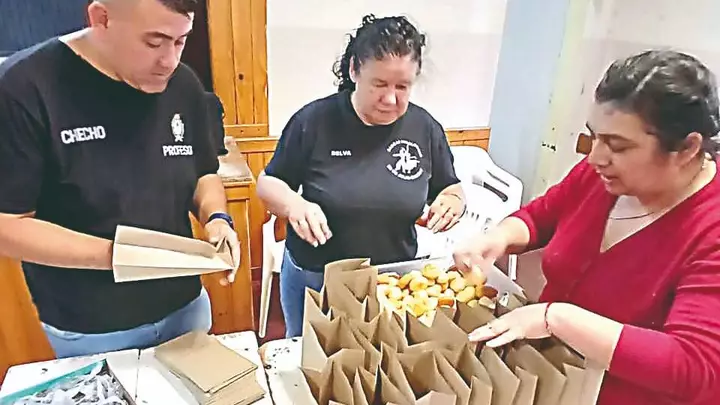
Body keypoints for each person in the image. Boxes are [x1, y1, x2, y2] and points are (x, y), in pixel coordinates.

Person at [454, 50, 720, 404]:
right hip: (551, 379)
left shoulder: (709, 227)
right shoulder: (602, 176)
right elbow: (542, 216)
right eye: (594, 137)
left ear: (686, 148)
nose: (595, 157)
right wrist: (500, 236)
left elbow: (696, 366)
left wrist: (556, 318)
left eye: (618, 146)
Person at [0, 0, 241, 358]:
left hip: (184, 306)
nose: (170, 61)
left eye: (181, 41)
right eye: (154, 42)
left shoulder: (183, 84)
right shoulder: (24, 88)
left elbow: (202, 172)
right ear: (101, 18)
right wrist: (121, 255)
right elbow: (8, 224)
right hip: (92, 325)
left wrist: (217, 218)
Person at [257, 14, 466, 338]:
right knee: (309, 357)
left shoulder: (425, 128)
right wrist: (294, 205)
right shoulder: (314, 121)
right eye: (379, 84)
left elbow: (449, 187)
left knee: (384, 359)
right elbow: (269, 183)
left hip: (391, 282)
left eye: (402, 87)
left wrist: (453, 200)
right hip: (317, 277)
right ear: (355, 70)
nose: (391, 99)